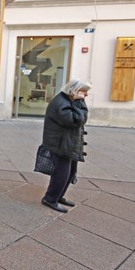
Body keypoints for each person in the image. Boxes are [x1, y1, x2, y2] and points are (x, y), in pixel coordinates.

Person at [41, 78, 91, 213]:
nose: (86, 95)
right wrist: (80, 102)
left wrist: (78, 101)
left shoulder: (68, 100)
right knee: (61, 173)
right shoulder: (61, 102)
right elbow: (76, 120)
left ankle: (58, 196)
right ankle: (50, 199)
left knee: (70, 172)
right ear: (74, 91)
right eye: (84, 92)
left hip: (66, 143)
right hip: (60, 145)